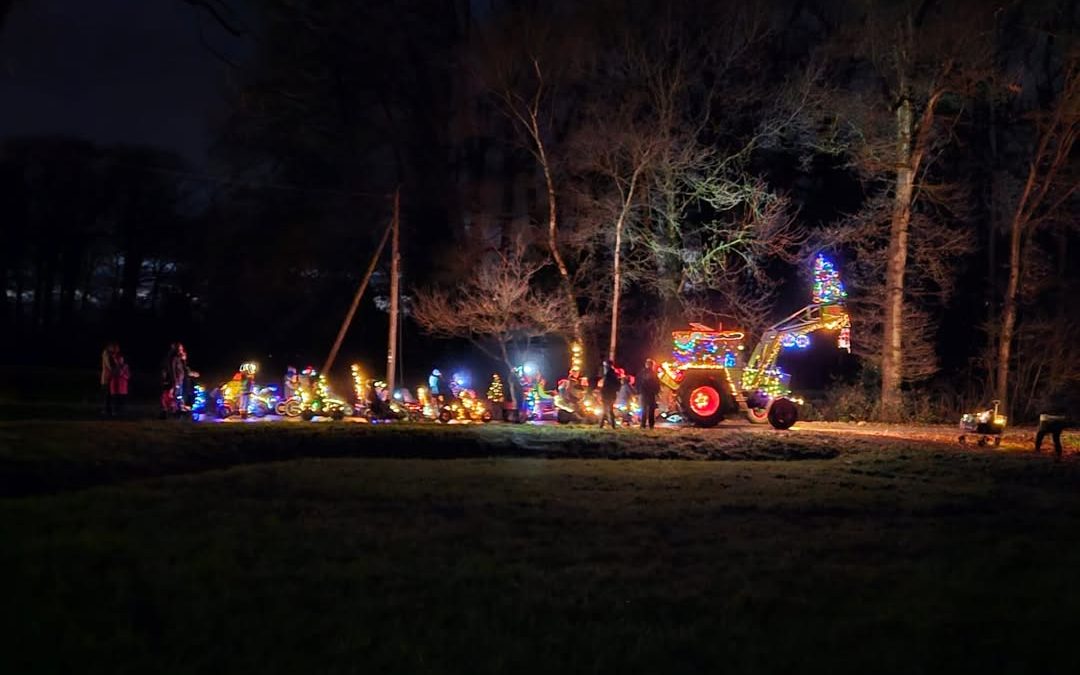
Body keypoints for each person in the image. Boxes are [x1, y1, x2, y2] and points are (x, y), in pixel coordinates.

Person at [637, 358, 661, 430]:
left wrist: (638, 391)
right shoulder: (653, 374)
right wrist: (656, 392)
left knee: (644, 409)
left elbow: (638, 383)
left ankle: (643, 424)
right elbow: (657, 384)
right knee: (651, 410)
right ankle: (651, 425)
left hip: (644, 394)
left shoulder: (641, 373)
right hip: (651, 394)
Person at [599, 360, 620, 429]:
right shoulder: (612, 373)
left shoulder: (609, 374)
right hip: (610, 394)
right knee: (607, 409)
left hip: (607, 394)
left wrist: (603, 391)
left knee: (606, 409)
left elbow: (606, 385)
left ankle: (605, 424)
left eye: (605, 365)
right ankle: (606, 424)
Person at [110, 351, 131, 417]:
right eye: (119, 359)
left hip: (123, 388)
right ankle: (114, 412)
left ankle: (122, 413)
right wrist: (121, 371)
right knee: (115, 401)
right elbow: (114, 374)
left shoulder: (126, 366)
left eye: (122, 359)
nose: (121, 360)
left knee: (122, 402)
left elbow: (128, 376)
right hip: (115, 387)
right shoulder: (114, 367)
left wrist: (123, 374)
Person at [100, 342, 118, 417]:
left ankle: (107, 410)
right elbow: (109, 365)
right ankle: (105, 410)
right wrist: (114, 370)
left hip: (109, 377)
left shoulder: (109, 354)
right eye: (114, 348)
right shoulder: (106, 354)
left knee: (109, 395)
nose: (114, 350)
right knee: (107, 395)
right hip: (106, 378)